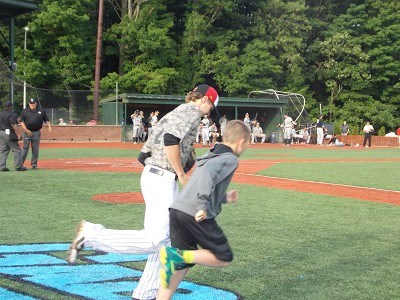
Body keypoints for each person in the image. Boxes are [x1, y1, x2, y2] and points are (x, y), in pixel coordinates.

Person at [67, 84, 219, 300]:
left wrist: (179, 164)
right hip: (162, 177)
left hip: (155, 175)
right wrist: (181, 174)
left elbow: (143, 155)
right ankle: (91, 235)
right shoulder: (191, 111)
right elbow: (170, 141)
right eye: (211, 107)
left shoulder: (173, 114)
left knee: (167, 240)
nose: (209, 112)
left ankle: (145, 293)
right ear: (204, 99)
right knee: (158, 239)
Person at [156, 120, 251, 299]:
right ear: (241, 142)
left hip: (178, 210)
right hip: (195, 213)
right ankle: (178, 256)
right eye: (247, 143)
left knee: (178, 266)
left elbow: (198, 184)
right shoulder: (229, 159)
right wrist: (201, 207)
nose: (247, 147)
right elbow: (207, 177)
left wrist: (225, 198)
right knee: (223, 256)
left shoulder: (211, 154)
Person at [19, 99, 52, 169]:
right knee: (25, 148)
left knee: (35, 149)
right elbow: (21, 121)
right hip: (27, 132)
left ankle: (34, 164)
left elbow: (46, 119)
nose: (31, 105)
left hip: (36, 132)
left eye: (33, 103)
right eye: (30, 103)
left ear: (36, 103)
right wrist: (26, 130)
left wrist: (49, 127)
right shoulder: (25, 111)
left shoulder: (41, 110)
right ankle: (20, 164)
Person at [0, 101, 27, 171]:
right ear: (11, 107)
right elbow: (14, 125)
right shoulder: (12, 114)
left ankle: (1, 166)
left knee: (3, 150)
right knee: (16, 149)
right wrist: (19, 134)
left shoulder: (1, 113)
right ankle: (18, 166)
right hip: (9, 132)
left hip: (1, 132)